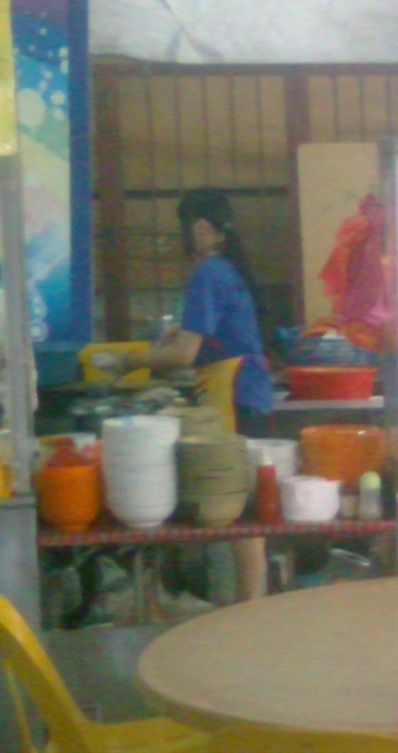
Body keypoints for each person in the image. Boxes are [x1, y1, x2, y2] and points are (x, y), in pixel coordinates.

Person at [112, 188, 275, 601]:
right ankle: (247, 607)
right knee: (235, 504)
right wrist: (175, 339)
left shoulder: (208, 272)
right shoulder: (226, 268)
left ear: (201, 227)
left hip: (235, 392)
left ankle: (250, 610)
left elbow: (184, 354)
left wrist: (130, 361)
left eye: (183, 228)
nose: (181, 238)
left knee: (236, 508)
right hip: (244, 389)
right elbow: (205, 341)